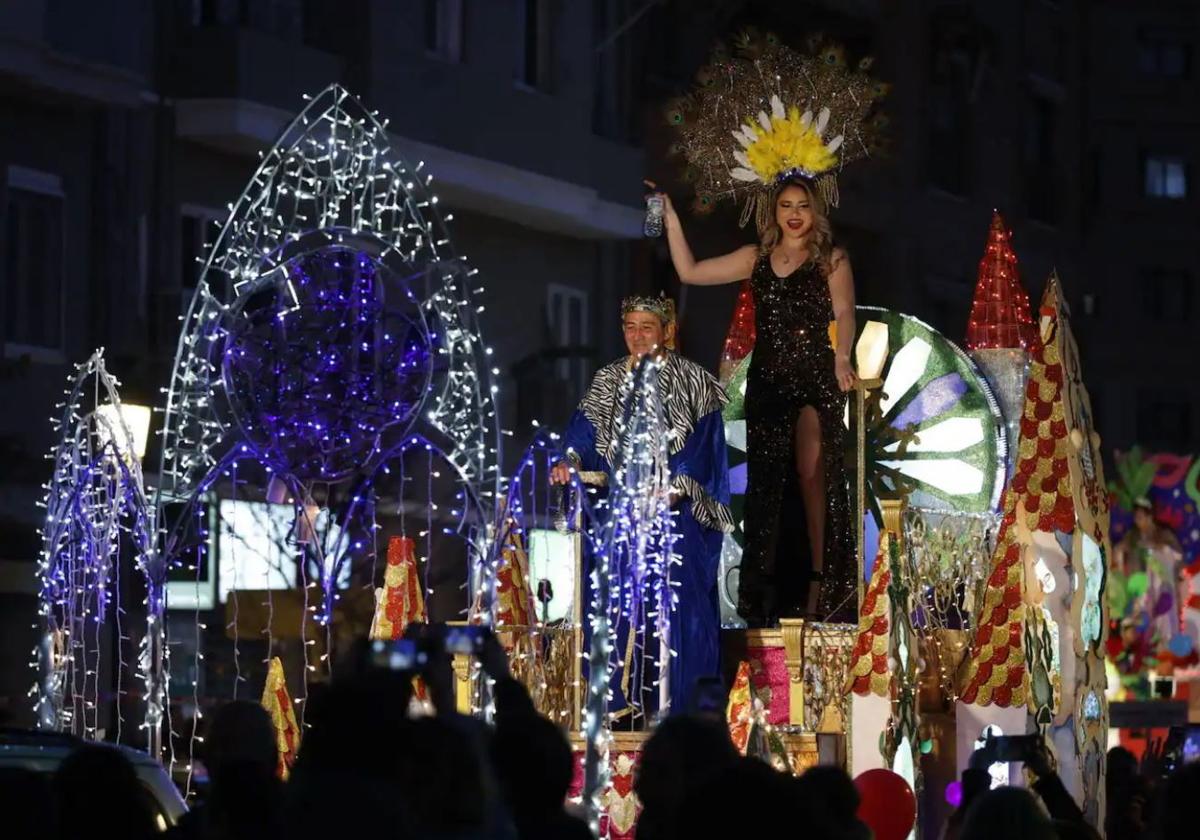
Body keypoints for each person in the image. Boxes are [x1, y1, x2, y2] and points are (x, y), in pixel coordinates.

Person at [653, 178, 857, 625]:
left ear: (815, 210)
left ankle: (822, 585)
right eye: (786, 205)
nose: (795, 213)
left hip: (814, 380)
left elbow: (844, 311)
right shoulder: (756, 259)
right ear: (774, 211)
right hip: (767, 383)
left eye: (803, 205)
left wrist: (842, 357)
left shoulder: (831, 259)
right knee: (768, 489)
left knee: (809, 475)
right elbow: (690, 272)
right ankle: (767, 596)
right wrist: (670, 216)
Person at [550, 295, 733, 720]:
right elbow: (583, 435)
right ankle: (614, 704)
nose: (637, 336)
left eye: (646, 327)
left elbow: (702, 451)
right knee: (609, 599)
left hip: (673, 518)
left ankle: (684, 712)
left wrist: (676, 486)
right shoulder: (608, 379)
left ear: (666, 331)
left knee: (679, 604)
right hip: (622, 513)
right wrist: (569, 462)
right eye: (630, 327)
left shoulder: (695, 381)